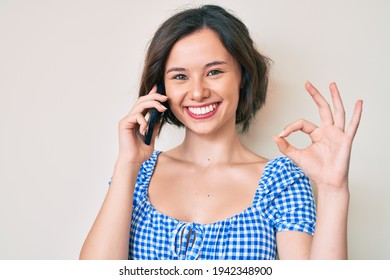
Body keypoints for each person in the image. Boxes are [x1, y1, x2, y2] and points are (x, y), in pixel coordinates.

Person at [79, 5, 363, 260]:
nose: (199, 92)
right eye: (180, 76)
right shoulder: (138, 173)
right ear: (161, 89)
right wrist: (127, 165)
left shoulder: (282, 181)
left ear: (243, 76)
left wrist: (333, 191)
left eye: (214, 72)